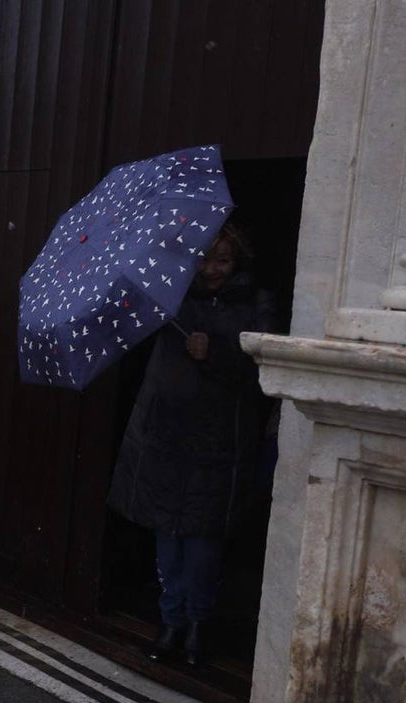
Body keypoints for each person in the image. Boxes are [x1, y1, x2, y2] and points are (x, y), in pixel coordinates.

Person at [106, 223, 274, 665]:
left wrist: (216, 351)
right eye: (204, 259)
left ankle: (198, 625)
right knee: (168, 536)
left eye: (223, 260)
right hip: (168, 436)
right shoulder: (172, 297)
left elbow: (265, 370)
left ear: (237, 262)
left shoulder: (255, 303)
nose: (212, 269)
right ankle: (170, 622)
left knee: (203, 542)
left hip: (219, 442)